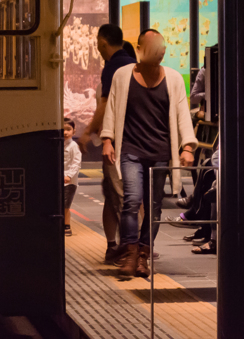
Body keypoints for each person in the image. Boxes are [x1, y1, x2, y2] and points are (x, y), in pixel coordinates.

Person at [101, 29, 197, 279]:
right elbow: (111, 106)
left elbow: (182, 114)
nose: (159, 50)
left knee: (153, 208)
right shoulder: (123, 75)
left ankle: (143, 254)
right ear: (141, 48)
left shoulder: (174, 79)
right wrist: (108, 139)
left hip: (159, 152)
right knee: (132, 201)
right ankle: (130, 252)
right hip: (130, 149)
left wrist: (187, 146)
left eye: (161, 46)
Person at [78, 24, 137, 264]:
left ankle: (130, 250)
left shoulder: (113, 66)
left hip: (117, 142)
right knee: (119, 194)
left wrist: (89, 131)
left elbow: (104, 106)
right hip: (136, 139)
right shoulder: (135, 65)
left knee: (122, 195)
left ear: (103, 42)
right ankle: (122, 247)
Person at [63, 118, 82, 237]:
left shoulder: (74, 146)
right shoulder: (58, 144)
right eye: (63, 129)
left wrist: (69, 175)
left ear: (73, 131)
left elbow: (76, 162)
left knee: (65, 205)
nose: (65, 132)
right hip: (59, 180)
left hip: (69, 182)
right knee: (59, 205)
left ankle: (67, 226)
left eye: (68, 129)